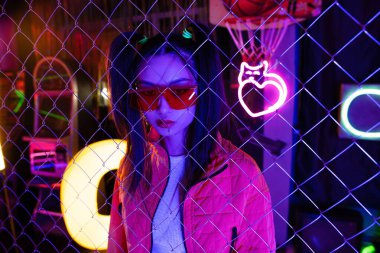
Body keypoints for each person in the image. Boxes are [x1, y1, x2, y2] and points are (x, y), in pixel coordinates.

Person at [107, 23, 276, 253]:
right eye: (147, 94)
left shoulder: (243, 172)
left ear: (203, 90)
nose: (163, 109)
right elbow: (117, 246)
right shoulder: (132, 166)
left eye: (179, 92)